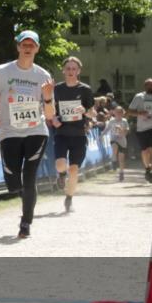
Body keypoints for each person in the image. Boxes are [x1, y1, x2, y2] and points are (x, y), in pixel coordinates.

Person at [0, 31, 55, 238]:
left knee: (29, 178)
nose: (28, 48)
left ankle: (26, 223)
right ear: (18, 47)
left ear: (37, 48)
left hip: (36, 131)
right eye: (24, 44)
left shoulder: (43, 76)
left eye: (32, 45)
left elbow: (50, 114)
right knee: (13, 180)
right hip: (9, 131)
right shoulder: (3, 71)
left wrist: (47, 98)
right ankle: (25, 196)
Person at [49, 56, 96, 213]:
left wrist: (85, 111)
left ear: (78, 71)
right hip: (62, 132)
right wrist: (53, 119)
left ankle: (69, 198)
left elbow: (92, 113)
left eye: (73, 69)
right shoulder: (57, 89)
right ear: (63, 70)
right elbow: (50, 111)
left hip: (79, 134)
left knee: (74, 170)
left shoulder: (85, 90)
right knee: (61, 164)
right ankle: (61, 175)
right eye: (68, 68)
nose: (70, 71)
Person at [129, 77, 152, 183]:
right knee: (145, 151)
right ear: (144, 86)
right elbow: (130, 111)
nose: (150, 87)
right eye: (148, 85)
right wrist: (140, 113)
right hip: (142, 128)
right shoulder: (139, 97)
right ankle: (147, 169)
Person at [103, 106, 130, 181]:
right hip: (114, 139)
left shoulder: (124, 121)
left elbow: (127, 131)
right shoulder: (111, 121)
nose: (118, 114)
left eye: (120, 112)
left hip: (122, 141)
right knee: (114, 146)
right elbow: (107, 129)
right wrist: (101, 135)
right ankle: (114, 162)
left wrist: (122, 130)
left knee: (121, 159)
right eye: (117, 112)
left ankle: (121, 173)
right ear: (114, 113)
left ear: (122, 113)